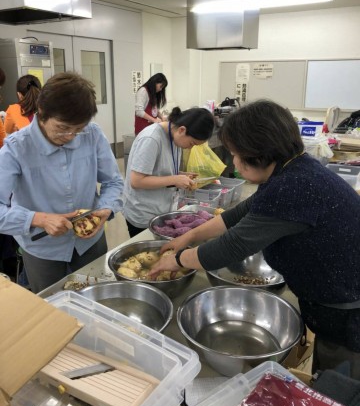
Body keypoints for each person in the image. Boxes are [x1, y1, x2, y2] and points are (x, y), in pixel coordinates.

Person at [149, 99, 360, 379]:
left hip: (347, 310)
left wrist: (176, 260)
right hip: (335, 298)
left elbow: (234, 244)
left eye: (235, 153)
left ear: (258, 153)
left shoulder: (293, 187)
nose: (233, 161)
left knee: (341, 388)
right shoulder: (292, 170)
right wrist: (188, 236)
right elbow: (238, 214)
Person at [0, 72, 124, 293]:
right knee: (53, 305)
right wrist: (38, 219)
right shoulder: (16, 148)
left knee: (96, 297)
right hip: (42, 249)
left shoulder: (92, 134)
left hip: (90, 242)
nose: (70, 136)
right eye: (62, 128)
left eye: (78, 129)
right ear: (41, 112)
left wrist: (106, 208)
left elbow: (113, 181)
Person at [123, 107, 215, 237]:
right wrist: (174, 180)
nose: (190, 147)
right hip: (144, 213)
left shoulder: (174, 137)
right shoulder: (151, 138)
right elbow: (137, 180)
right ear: (182, 130)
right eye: (192, 143)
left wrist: (181, 175)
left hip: (162, 209)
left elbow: (159, 169)